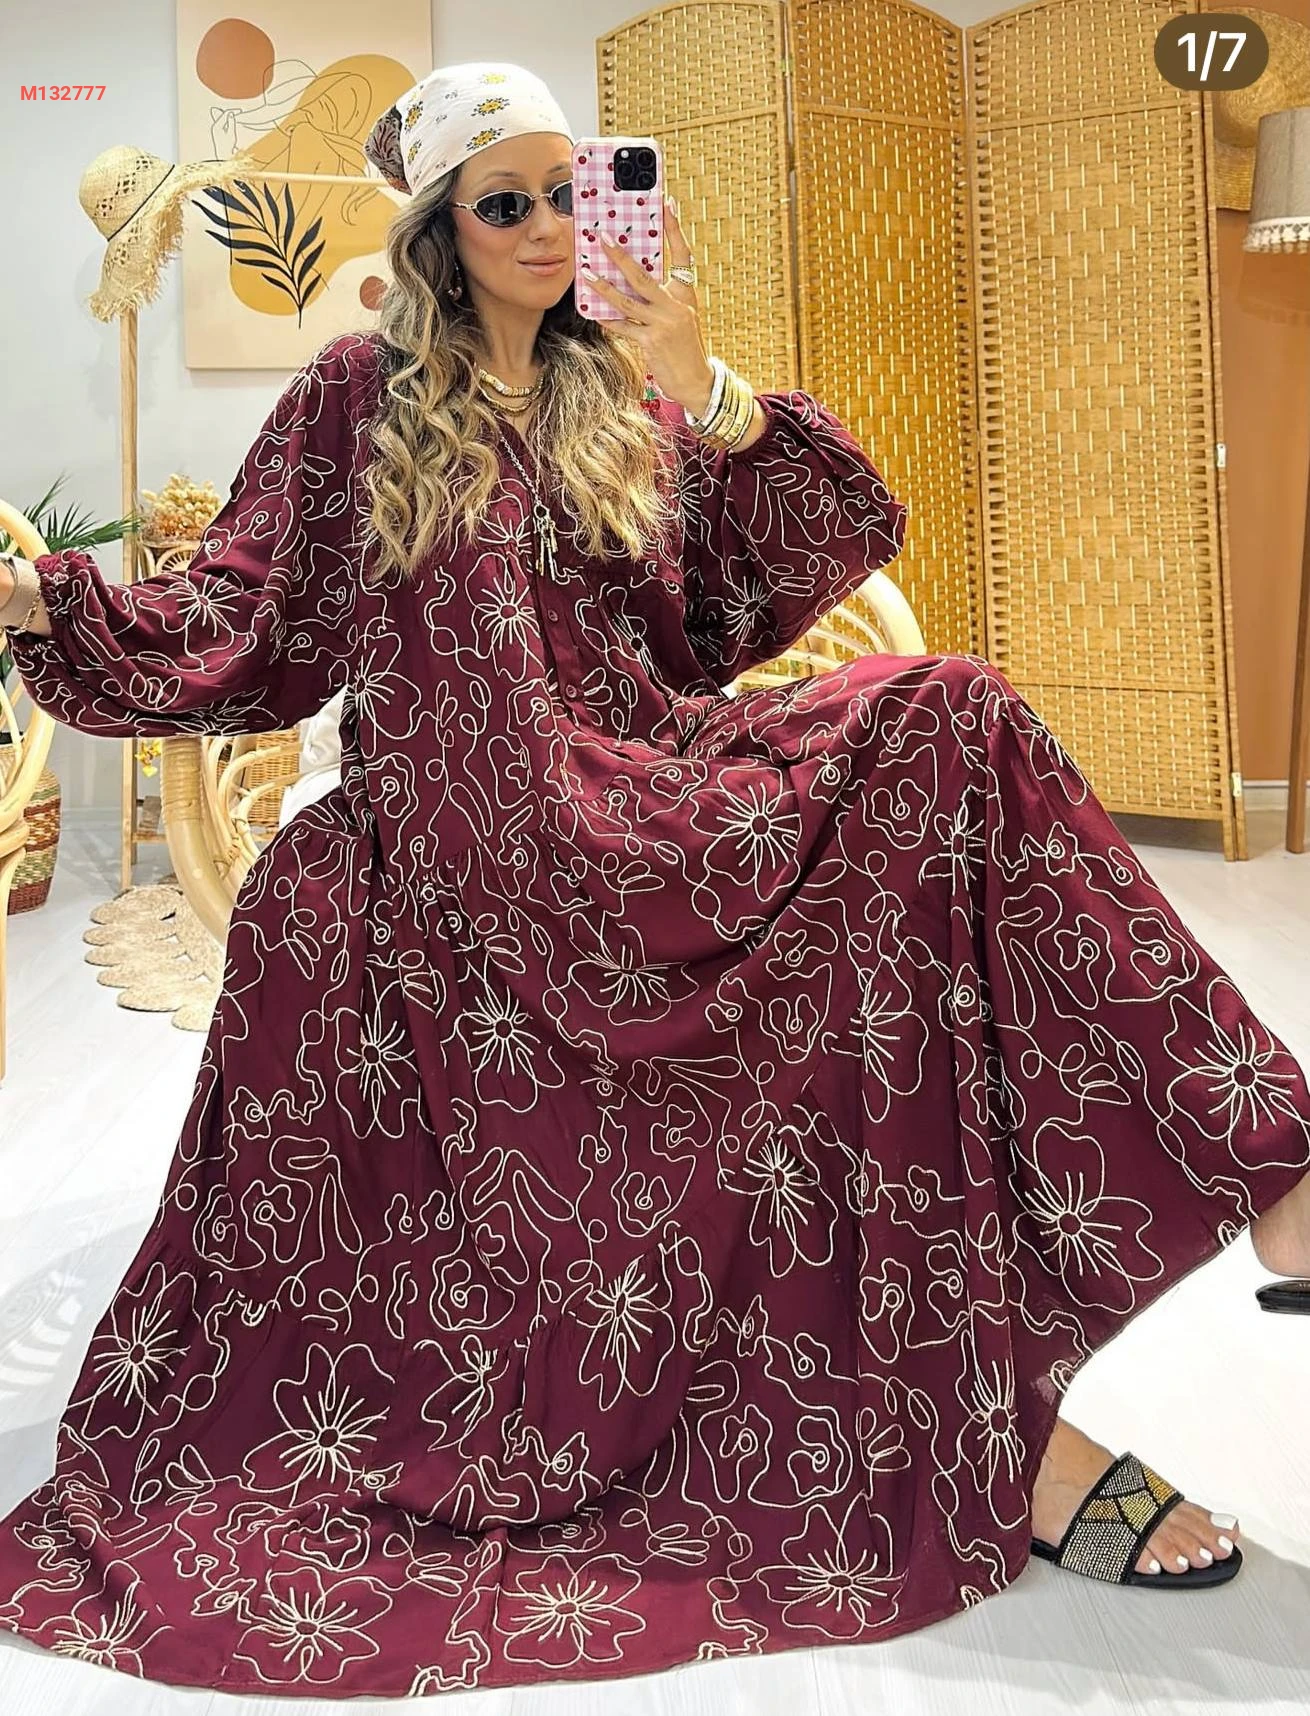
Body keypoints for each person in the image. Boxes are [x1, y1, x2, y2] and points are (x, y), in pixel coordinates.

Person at [0, 57, 1308, 1699]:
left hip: (640, 791)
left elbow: (760, 588)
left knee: (951, 718)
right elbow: (244, 615)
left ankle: (1261, 1188)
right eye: (506, 201)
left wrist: (710, 384)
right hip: (468, 829)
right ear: (439, 231)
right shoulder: (354, 393)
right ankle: (1093, 1353)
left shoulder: (622, 386)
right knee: (889, 825)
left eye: (574, 190)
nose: (549, 226)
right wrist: (53, 603)